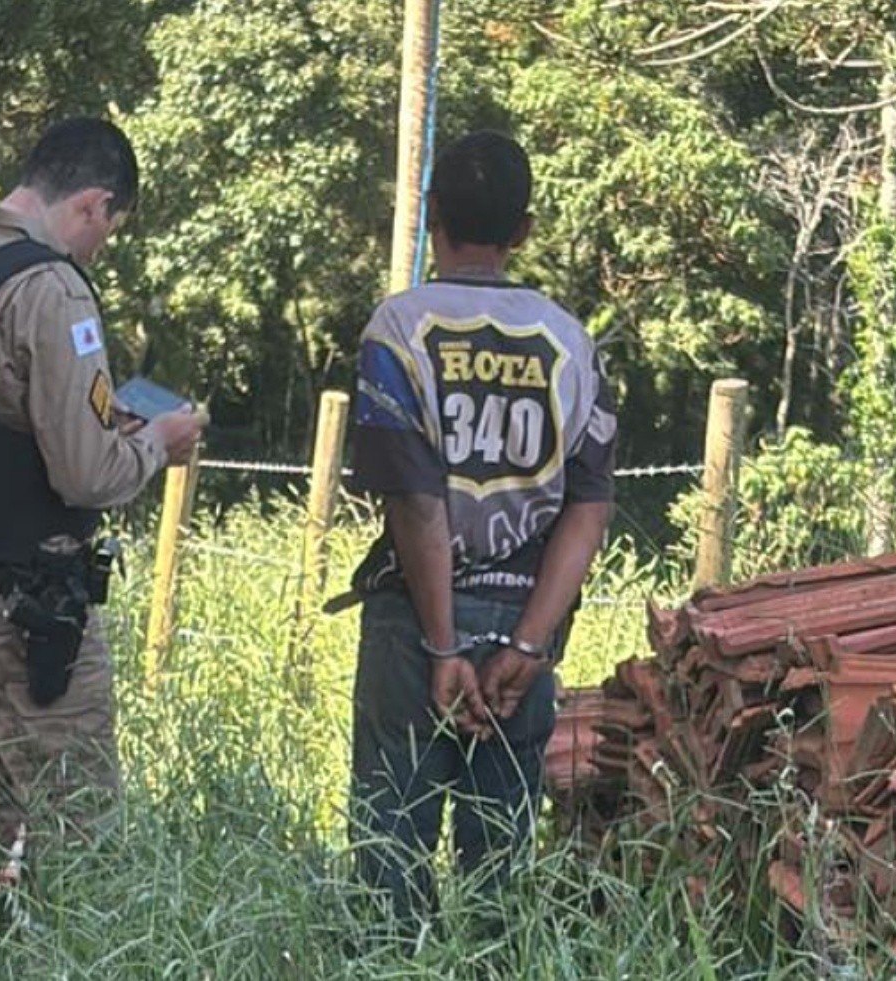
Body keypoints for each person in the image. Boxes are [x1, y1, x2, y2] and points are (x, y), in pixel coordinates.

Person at [0, 117, 205, 898]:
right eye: (109, 229)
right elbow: (88, 476)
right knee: (76, 815)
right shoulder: (47, 289)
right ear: (93, 204)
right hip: (20, 605)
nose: (99, 248)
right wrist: (156, 440)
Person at [345, 131, 617, 930]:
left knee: (388, 850)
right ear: (522, 230)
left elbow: (416, 502)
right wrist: (528, 647)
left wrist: (440, 646)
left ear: (431, 217)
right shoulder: (571, 341)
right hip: (520, 622)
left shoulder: (396, 329)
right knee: (498, 859)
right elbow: (588, 505)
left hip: (412, 626)